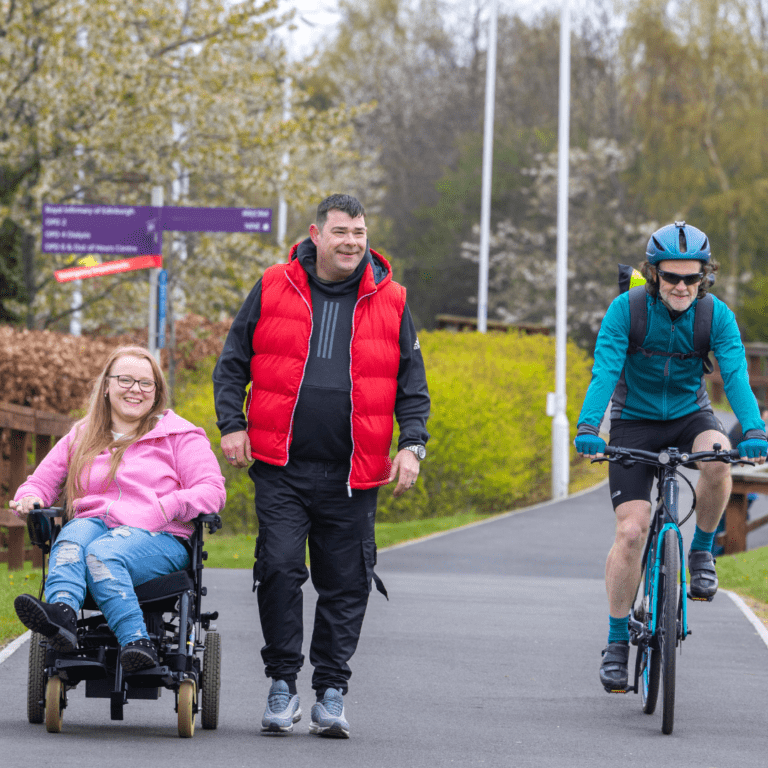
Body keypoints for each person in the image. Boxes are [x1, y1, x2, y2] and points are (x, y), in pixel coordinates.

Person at [213, 193, 430, 737]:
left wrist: (413, 445)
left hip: (354, 475)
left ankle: (331, 692)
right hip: (281, 467)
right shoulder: (272, 285)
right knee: (281, 569)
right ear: (316, 233)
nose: (351, 242)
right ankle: (282, 685)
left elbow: (413, 388)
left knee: (346, 584)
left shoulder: (394, 300)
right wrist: (231, 424)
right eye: (340, 232)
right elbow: (233, 361)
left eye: (359, 233)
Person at [573, 221, 767, 693]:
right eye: (671, 277)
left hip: (689, 415)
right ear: (654, 274)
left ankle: (701, 551)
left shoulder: (715, 316)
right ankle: (617, 643)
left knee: (720, 456)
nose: (681, 286)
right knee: (632, 530)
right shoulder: (627, 311)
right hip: (634, 421)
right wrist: (587, 426)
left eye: (691, 278)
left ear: (705, 277)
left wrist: (756, 430)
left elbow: (737, 375)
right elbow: (605, 371)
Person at [11, 345, 226, 673]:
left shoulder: (181, 437)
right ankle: (62, 618)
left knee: (101, 553)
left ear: (156, 393)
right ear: (107, 386)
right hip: (95, 523)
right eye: (126, 380)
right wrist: (30, 497)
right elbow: (40, 483)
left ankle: (136, 641)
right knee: (71, 540)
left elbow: (212, 491)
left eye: (145, 383)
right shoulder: (83, 434)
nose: (135, 390)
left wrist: (166, 506)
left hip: (158, 535)